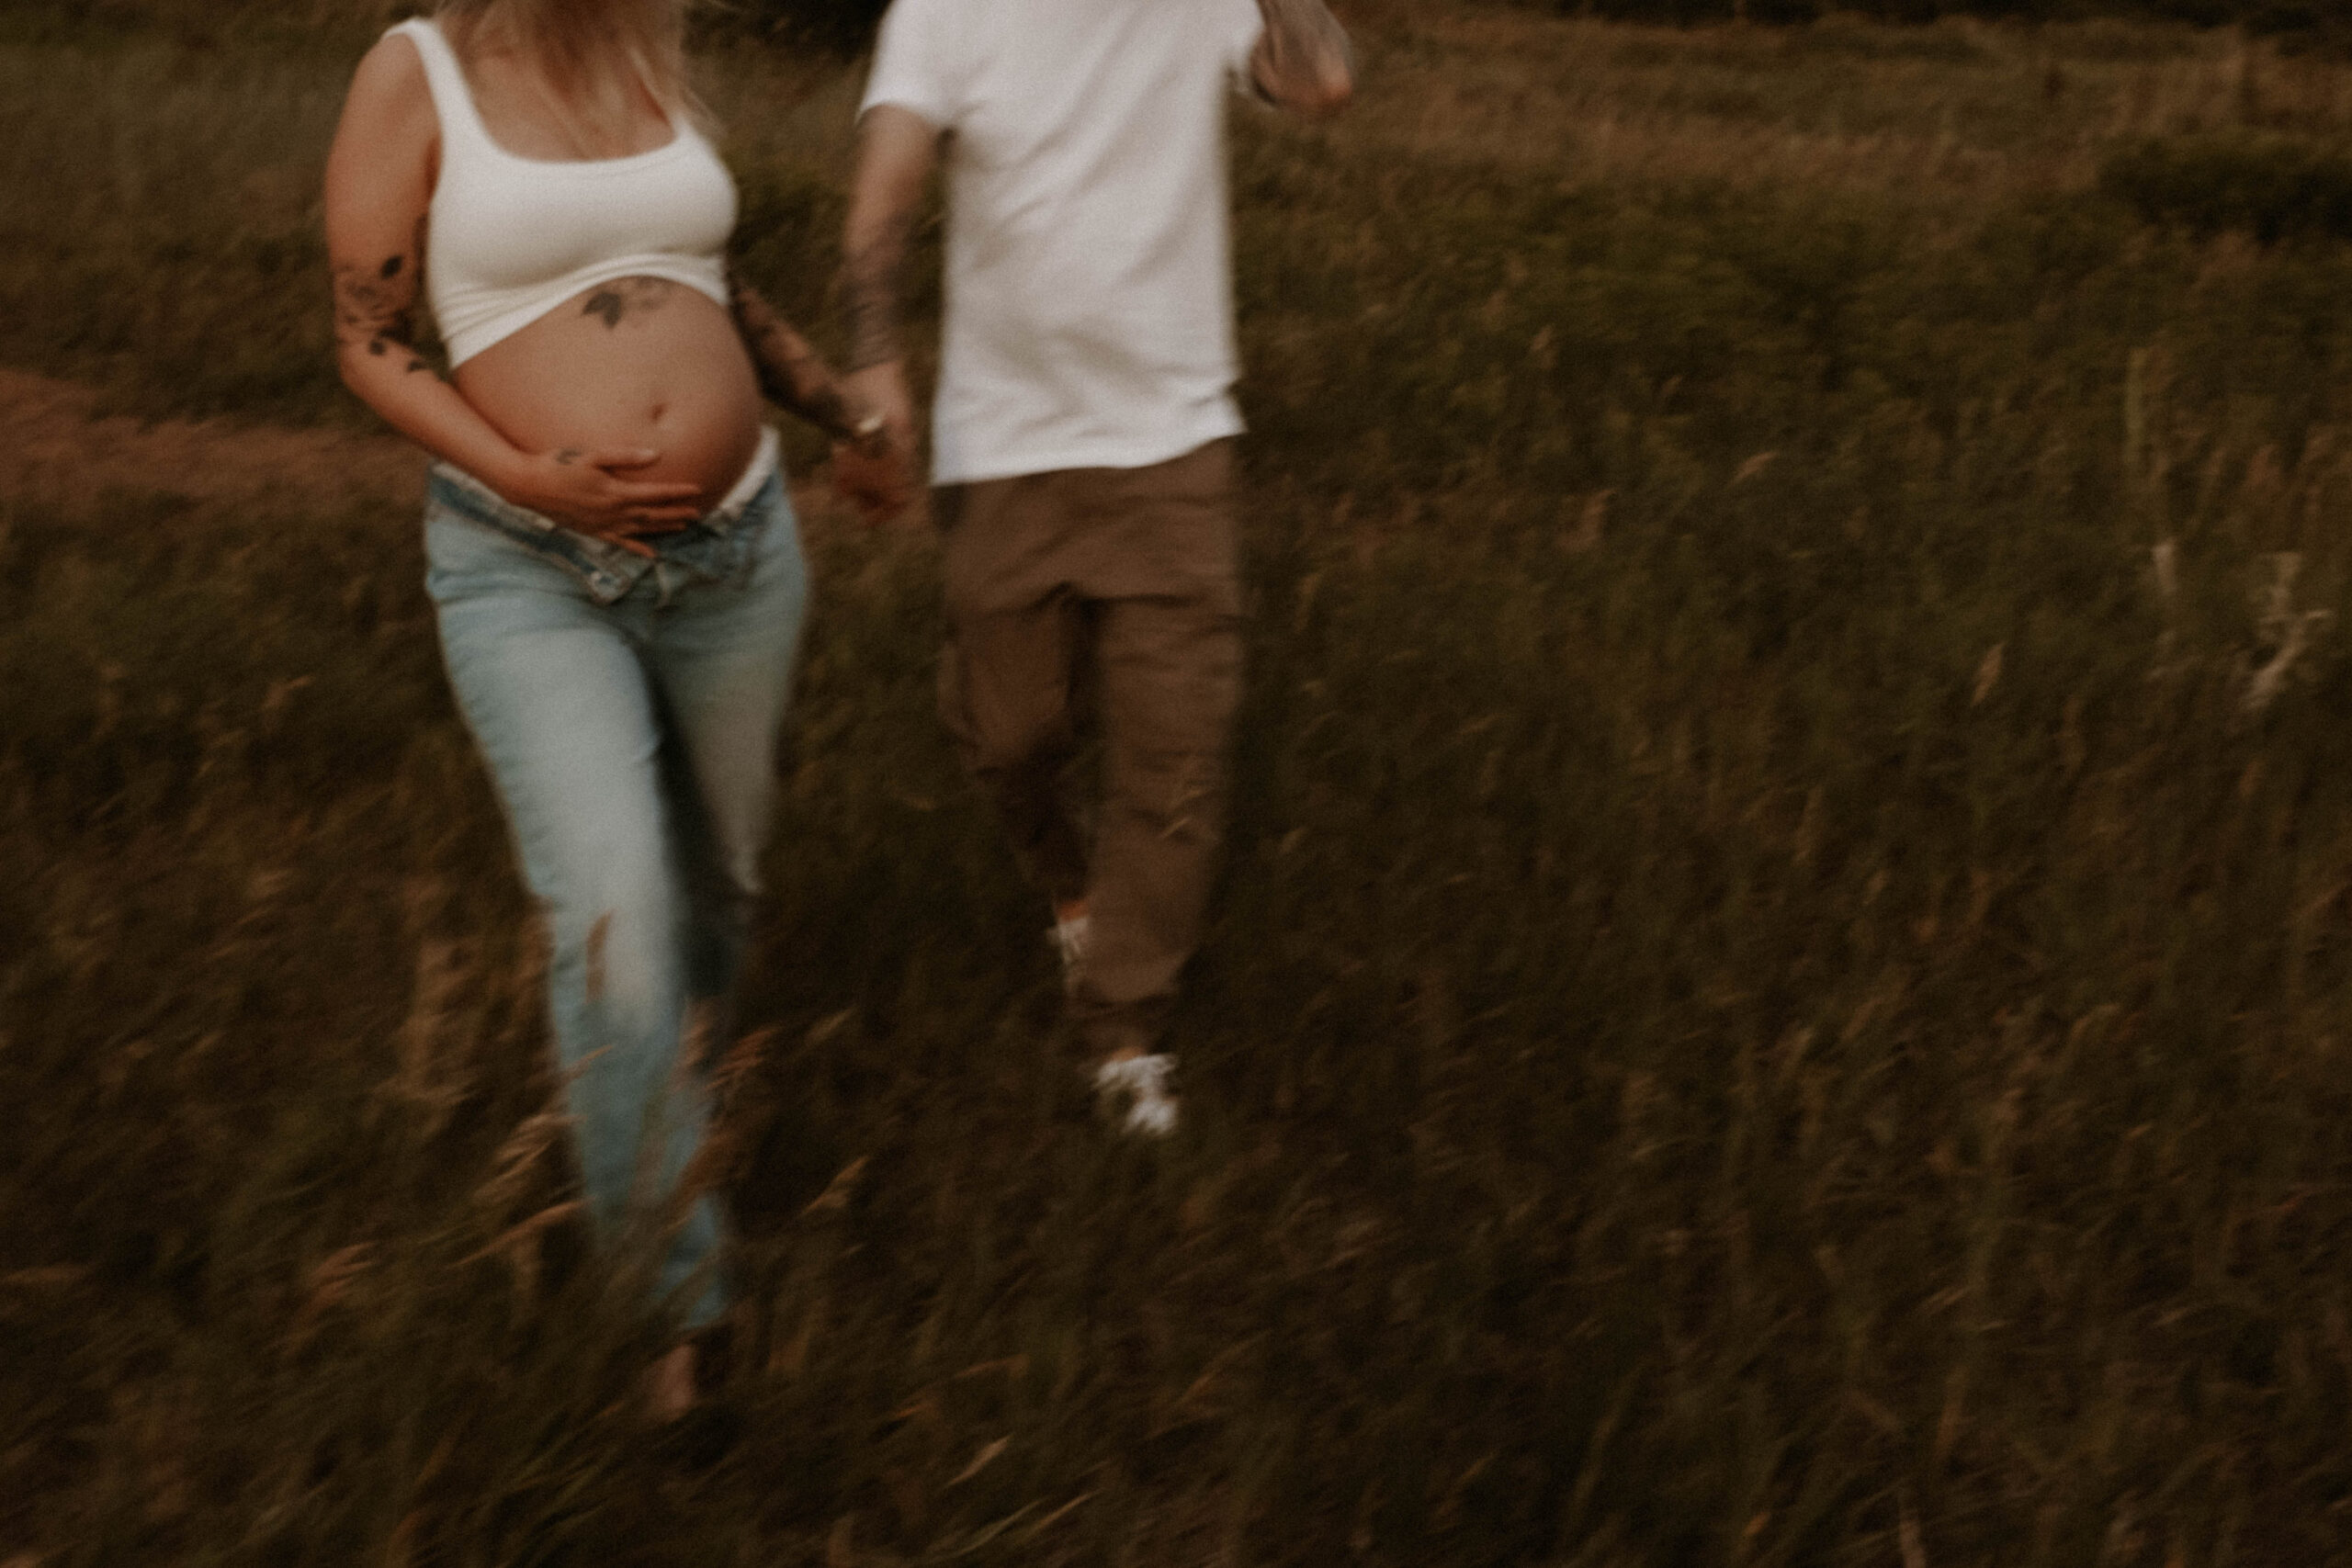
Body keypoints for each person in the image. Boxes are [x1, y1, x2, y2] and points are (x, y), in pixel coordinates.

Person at [322, 0, 910, 1417]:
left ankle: (667, 1126)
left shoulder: (654, 42)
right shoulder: (421, 69)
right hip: (530, 572)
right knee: (614, 916)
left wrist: (851, 416)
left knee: (720, 890)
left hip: (740, 562)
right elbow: (368, 339)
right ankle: (676, 1317)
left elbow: (710, 284)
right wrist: (528, 478)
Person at [841, 0, 1352, 1135]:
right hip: (1006, 441)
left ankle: (1121, 1029)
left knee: (1176, 754)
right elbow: (887, 181)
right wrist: (874, 356)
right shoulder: (941, 9)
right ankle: (1071, 886)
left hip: (1172, 439)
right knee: (1012, 735)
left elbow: (1318, 82)